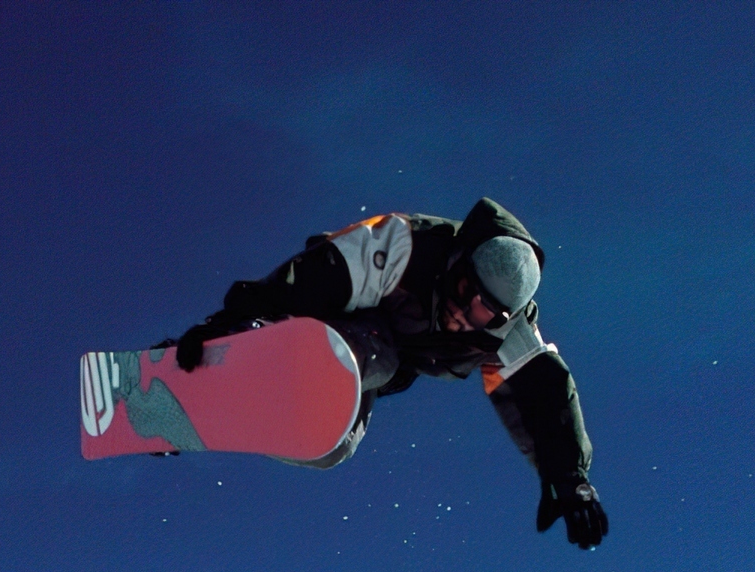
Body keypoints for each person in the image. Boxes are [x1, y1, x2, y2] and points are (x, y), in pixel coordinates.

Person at [170, 198, 607, 550]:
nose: (461, 312)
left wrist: (569, 478)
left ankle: (234, 407)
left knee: (331, 446)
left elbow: (545, 400)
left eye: (482, 311)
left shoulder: (510, 336)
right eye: (461, 290)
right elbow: (308, 278)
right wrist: (228, 330)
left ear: (502, 318)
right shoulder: (403, 245)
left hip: (371, 371)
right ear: (458, 260)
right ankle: (248, 365)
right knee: (377, 349)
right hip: (331, 318)